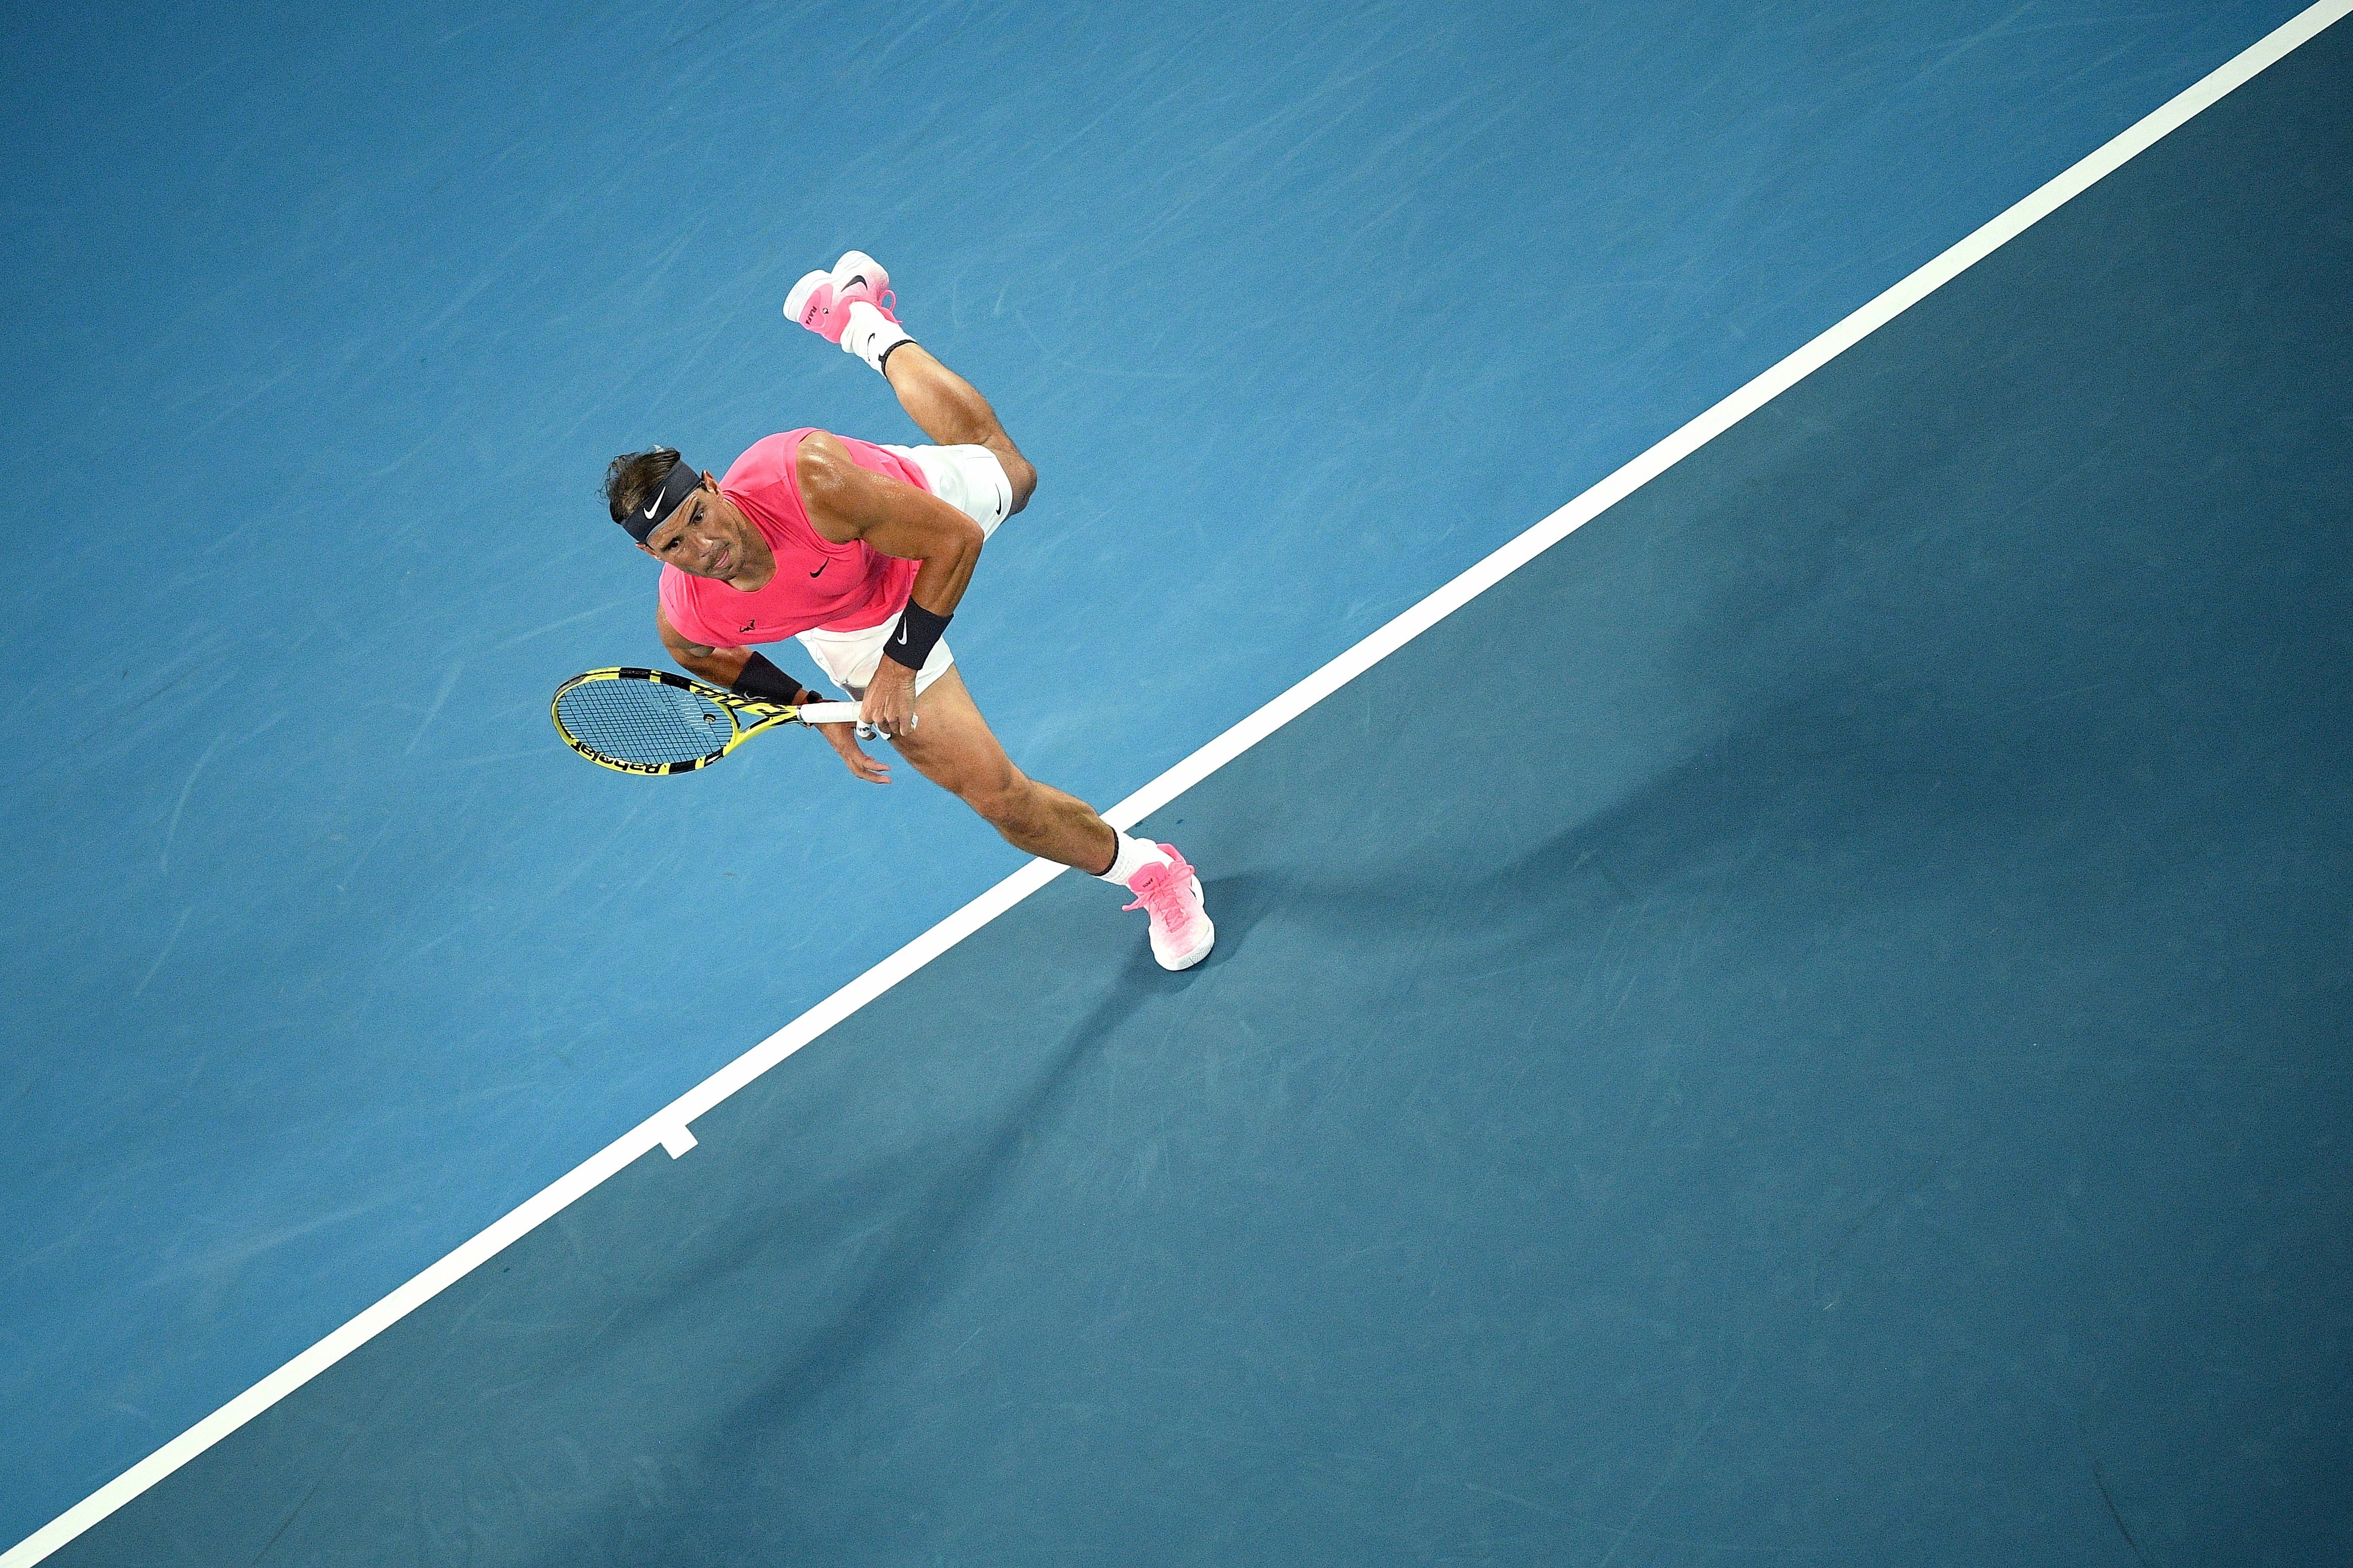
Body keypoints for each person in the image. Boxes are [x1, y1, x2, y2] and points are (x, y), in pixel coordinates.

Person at [603, 251, 1212, 971]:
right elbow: (702, 657)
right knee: (998, 799)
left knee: (1016, 475)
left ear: (712, 485)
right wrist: (803, 705)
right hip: (850, 619)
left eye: (702, 516)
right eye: (677, 545)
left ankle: (865, 327)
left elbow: (951, 543)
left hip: (895, 514)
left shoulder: (814, 480)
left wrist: (901, 666)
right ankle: (1151, 870)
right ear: (654, 558)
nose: (707, 548)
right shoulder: (688, 613)